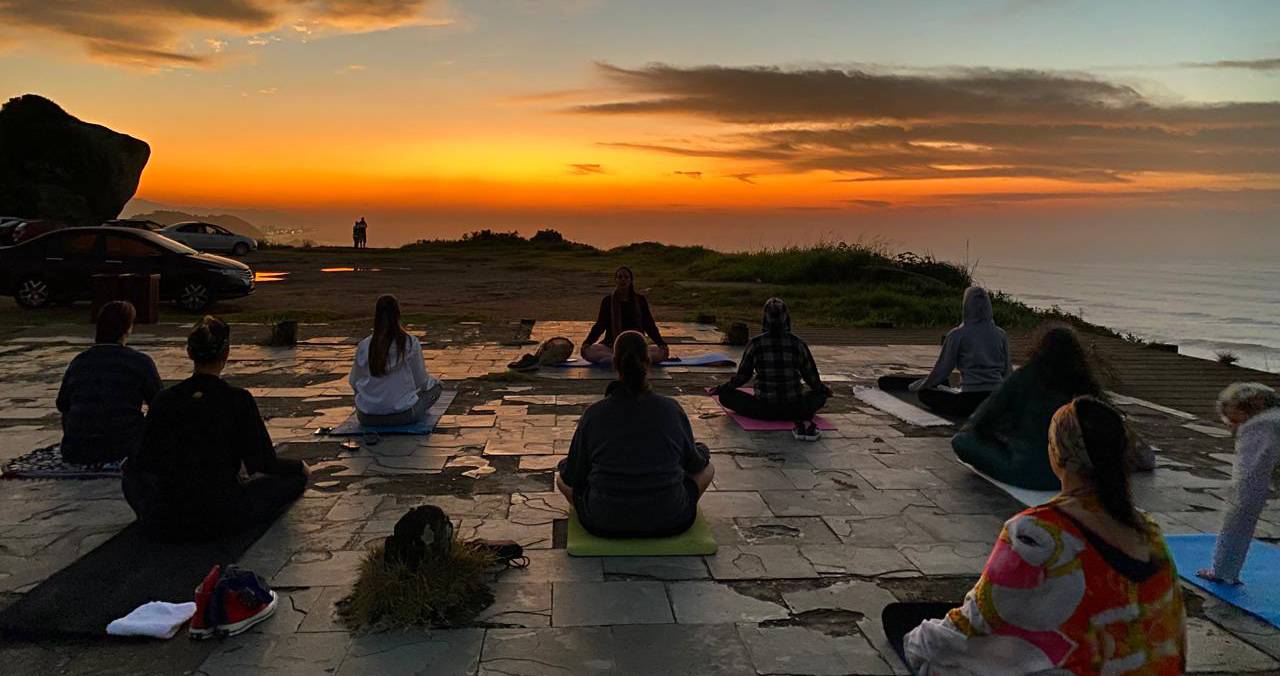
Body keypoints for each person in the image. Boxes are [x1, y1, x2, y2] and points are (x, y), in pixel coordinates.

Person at [890, 396, 1186, 675]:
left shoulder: (1037, 534)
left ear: (1061, 455)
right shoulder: (1149, 530)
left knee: (906, 626)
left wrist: (919, 639)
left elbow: (972, 625)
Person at [124, 317, 308, 541]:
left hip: (170, 511)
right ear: (226, 353)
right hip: (222, 513)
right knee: (293, 481)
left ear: (189, 353)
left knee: (131, 476)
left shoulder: (165, 399)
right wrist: (300, 466)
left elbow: (146, 460)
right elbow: (262, 463)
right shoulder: (237, 399)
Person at [555, 331, 714, 538]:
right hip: (671, 518)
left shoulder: (594, 414)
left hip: (603, 521)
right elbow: (694, 464)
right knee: (707, 468)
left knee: (561, 479)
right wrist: (701, 450)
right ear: (648, 361)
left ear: (614, 363)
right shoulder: (671, 409)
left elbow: (573, 475)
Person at [951, 324, 1105, 490]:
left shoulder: (1025, 376)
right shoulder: (1086, 384)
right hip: (1070, 476)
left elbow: (983, 420)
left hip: (1027, 472)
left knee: (962, 440)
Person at [56, 301, 162, 465]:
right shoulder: (139, 362)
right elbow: (159, 403)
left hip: (76, 448)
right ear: (128, 328)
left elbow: (63, 404)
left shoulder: (80, 361)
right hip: (124, 446)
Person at [879, 286, 1010, 418]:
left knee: (926, 394)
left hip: (969, 399)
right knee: (944, 388)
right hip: (994, 399)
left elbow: (942, 371)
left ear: (966, 306)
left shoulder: (957, 335)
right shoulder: (1000, 334)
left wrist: (919, 385)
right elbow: (1007, 371)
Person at [713, 298, 832, 441]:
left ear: (765, 320)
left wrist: (722, 388)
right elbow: (812, 378)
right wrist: (823, 390)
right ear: (787, 319)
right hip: (795, 408)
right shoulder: (798, 344)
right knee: (820, 396)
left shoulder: (755, 344)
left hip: (763, 408)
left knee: (725, 396)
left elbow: (742, 377)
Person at [1197, 382, 1280, 585]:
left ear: (1253, 406)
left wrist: (1222, 570)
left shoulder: (1261, 425)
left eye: (1233, 419)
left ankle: (1224, 571)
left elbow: (1247, 491)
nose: (1232, 426)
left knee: (1240, 508)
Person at [349, 295, 442, 426]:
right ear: (398, 315)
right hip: (403, 415)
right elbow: (421, 381)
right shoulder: (410, 343)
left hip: (367, 417)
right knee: (436, 388)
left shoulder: (365, 345)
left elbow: (354, 382)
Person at [581, 266, 668, 365]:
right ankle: (629, 360)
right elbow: (600, 325)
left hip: (636, 344)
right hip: (612, 345)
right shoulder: (608, 301)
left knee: (661, 352)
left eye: (626, 277)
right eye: (620, 277)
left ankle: (619, 360)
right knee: (588, 351)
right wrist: (587, 343)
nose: (623, 280)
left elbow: (649, 325)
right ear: (616, 280)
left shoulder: (640, 300)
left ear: (631, 281)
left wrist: (661, 343)